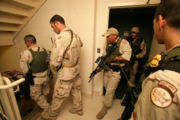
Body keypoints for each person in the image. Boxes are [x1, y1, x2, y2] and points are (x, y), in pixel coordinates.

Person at [131, 0, 180, 120]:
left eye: (153, 23)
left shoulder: (163, 79)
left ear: (161, 21)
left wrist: (136, 57)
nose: (153, 28)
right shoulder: (168, 58)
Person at [41, 14, 83, 120]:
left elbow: (54, 59)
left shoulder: (60, 36)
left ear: (57, 23)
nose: (53, 29)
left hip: (67, 72)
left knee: (58, 94)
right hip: (76, 69)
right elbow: (81, 45)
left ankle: (52, 115)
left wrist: (54, 70)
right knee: (76, 89)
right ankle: (78, 109)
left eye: (52, 27)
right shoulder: (75, 34)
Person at [96, 27, 132, 119]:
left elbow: (127, 57)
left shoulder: (123, 43)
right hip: (108, 69)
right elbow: (105, 55)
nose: (106, 38)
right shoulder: (108, 43)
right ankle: (113, 95)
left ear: (114, 36)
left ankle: (105, 107)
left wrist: (114, 58)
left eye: (108, 36)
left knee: (109, 90)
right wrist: (101, 64)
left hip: (116, 71)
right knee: (106, 85)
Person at [19, 34, 50, 112]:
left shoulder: (26, 53)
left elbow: (24, 68)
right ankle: (44, 104)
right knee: (45, 92)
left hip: (36, 79)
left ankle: (48, 109)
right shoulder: (45, 50)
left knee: (36, 95)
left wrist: (26, 75)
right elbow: (49, 62)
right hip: (46, 76)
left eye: (25, 42)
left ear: (28, 43)